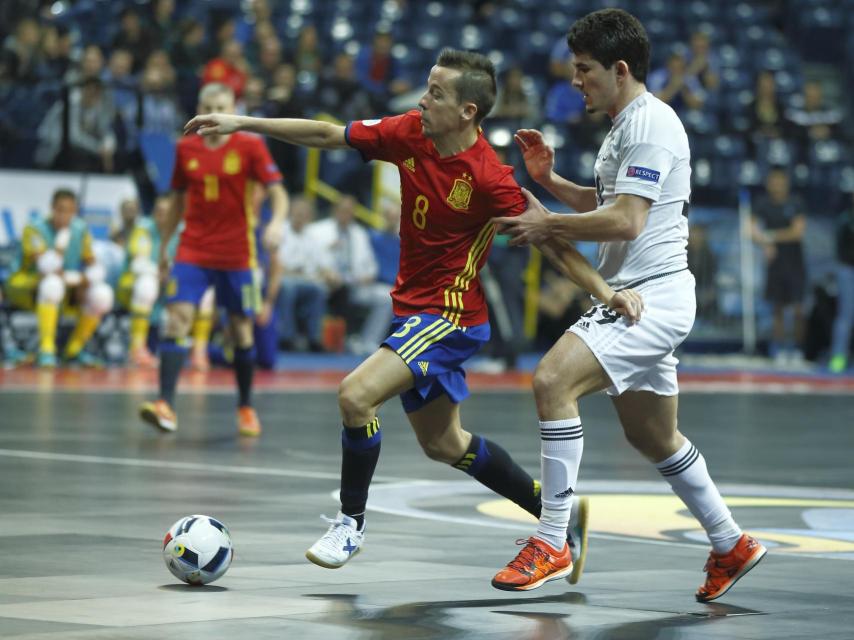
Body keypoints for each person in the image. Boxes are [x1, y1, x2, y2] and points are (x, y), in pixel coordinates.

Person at [184, 48, 640, 573]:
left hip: (449, 318)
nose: (423, 100)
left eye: (437, 93)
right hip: (412, 313)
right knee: (445, 444)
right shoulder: (410, 133)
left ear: (468, 110)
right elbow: (328, 134)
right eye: (427, 87)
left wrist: (606, 294)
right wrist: (243, 122)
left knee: (356, 396)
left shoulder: (490, 178)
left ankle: (350, 524)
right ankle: (555, 513)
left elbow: (551, 243)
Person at [493, 9, 766, 601]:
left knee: (551, 382)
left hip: (649, 297)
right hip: (650, 293)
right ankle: (731, 543)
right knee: (652, 436)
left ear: (619, 70)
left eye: (584, 69)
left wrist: (550, 225)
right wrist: (550, 182)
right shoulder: (627, 125)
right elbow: (613, 198)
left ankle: (552, 541)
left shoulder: (651, 124)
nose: (574, 80)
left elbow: (625, 219)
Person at [138, 82, 287, 437]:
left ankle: (246, 406)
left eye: (220, 105)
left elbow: (278, 192)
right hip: (193, 249)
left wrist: (278, 221)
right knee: (176, 320)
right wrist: (163, 248)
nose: (213, 111)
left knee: (240, 330)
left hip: (238, 253)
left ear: (231, 107)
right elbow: (175, 201)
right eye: (207, 105)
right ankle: (166, 405)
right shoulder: (186, 148)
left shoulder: (250, 145)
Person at [5, 188, 114, 367]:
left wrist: (85, 281)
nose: (65, 215)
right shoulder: (34, 228)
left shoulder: (80, 229)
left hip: (65, 287)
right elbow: (46, 267)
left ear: (75, 211)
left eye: (70, 210)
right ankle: (47, 350)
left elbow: (93, 265)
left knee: (102, 294)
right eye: (60, 209)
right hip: (25, 285)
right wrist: (62, 241)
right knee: (52, 283)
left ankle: (74, 350)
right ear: (52, 208)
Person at [750, 168, 807, 364]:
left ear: (786, 183)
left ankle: (798, 349)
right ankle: (779, 349)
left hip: (795, 263)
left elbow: (797, 232)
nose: (777, 185)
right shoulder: (762, 204)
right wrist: (765, 243)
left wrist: (771, 236)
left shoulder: (795, 203)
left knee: (799, 309)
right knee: (778, 308)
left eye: (780, 181)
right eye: (773, 181)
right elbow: (752, 231)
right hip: (775, 264)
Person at [829, 193, 854, 373]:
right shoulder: (846, 219)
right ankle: (838, 356)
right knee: (845, 315)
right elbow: (840, 248)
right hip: (848, 270)